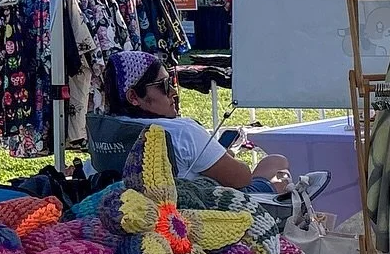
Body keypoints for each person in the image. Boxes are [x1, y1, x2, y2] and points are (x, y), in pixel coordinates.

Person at [100, 50, 326, 198]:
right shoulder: (180, 131)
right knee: (277, 165)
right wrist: (225, 159)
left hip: (134, 213)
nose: (173, 92)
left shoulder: (105, 130)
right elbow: (240, 179)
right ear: (133, 97)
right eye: (164, 84)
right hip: (199, 212)